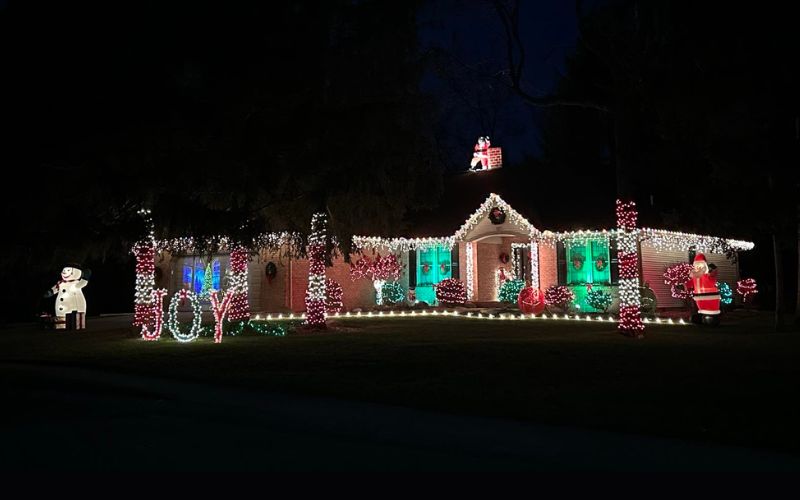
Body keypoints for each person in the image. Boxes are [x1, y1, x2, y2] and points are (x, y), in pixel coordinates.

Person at [44, 264, 91, 330]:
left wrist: (85, 277)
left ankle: (74, 324)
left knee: (73, 317)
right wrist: (50, 292)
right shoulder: (60, 283)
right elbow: (55, 289)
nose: (64, 272)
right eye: (64, 270)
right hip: (60, 309)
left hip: (73, 309)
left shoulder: (75, 284)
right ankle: (61, 325)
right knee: (61, 318)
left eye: (68, 270)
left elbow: (83, 283)